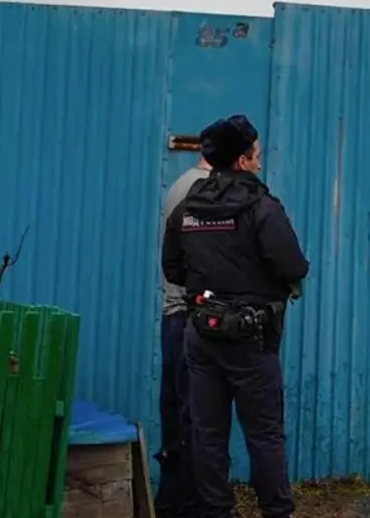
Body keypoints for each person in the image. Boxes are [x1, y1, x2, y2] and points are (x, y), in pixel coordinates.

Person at [161, 115, 309, 518]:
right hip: (251, 337)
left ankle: (213, 510)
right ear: (242, 160)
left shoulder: (187, 207)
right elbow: (293, 267)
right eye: (256, 154)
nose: (260, 161)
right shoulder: (261, 208)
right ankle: (277, 511)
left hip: (200, 333)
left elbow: (173, 269)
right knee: (264, 435)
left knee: (207, 434)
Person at [154, 155, 211, 517]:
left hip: (174, 316)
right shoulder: (199, 191)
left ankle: (172, 503)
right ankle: (191, 506)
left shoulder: (180, 184)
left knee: (176, 413)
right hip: (190, 317)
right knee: (196, 417)